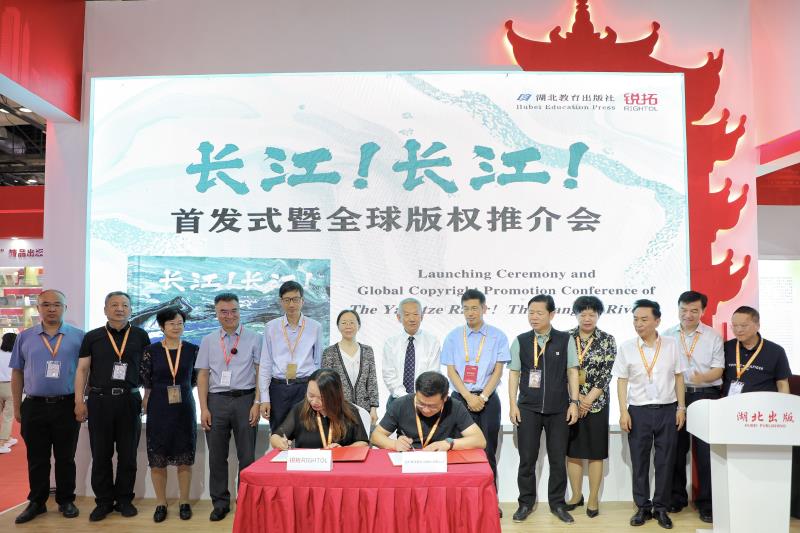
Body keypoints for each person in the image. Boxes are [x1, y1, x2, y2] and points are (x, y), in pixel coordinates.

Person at [74, 291, 151, 521]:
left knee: (128, 455)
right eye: (114, 305)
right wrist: (79, 401)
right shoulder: (93, 337)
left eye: (125, 305)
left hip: (129, 399)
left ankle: (124, 500)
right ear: (105, 309)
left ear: (131, 309)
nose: (120, 309)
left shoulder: (140, 336)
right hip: (99, 400)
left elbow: (148, 370)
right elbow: (82, 370)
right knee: (101, 454)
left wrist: (147, 396)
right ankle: (104, 502)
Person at [8, 290, 83, 523]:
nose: (51, 309)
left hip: (67, 405)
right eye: (46, 304)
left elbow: (86, 372)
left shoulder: (79, 337)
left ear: (65, 308)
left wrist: (81, 401)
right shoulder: (25, 337)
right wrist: (17, 407)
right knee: (37, 458)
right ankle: (37, 502)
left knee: (65, 457)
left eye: (57, 304)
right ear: (38, 308)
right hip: (34, 406)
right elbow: (17, 373)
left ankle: (66, 500)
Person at [612, 299, 687, 530]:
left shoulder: (672, 344)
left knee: (665, 461)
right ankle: (642, 507)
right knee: (640, 461)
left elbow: (679, 377)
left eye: (644, 319)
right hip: (638, 412)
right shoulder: (627, 347)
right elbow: (621, 381)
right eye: (635, 319)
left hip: (667, 410)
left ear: (657, 321)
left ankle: (661, 508)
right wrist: (623, 411)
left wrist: (681, 408)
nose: (638, 324)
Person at [509, 294, 580, 524]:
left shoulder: (564, 340)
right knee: (527, 459)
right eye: (531, 312)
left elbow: (572, 372)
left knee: (558, 459)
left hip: (559, 409)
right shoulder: (520, 340)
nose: (534, 317)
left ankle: (557, 503)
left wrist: (574, 402)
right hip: (528, 408)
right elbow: (514, 374)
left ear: (552, 314)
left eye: (539, 313)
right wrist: (512, 404)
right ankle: (525, 503)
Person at [196, 292, 262, 522]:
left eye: (234, 310)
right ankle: (220, 503)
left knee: (247, 456)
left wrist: (257, 403)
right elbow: (203, 375)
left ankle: (246, 502)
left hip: (245, 400)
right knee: (217, 457)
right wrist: (204, 408)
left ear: (239, 310)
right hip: (216, 401)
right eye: (224, 311)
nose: (229, 315)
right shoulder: (208, 340)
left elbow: (260, 372)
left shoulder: (255, 338)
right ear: (216, 314)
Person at [664, 291, 724, 523]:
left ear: (703, 311)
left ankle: (707, 504)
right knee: (676, 450)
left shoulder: (713, 336)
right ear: (678, 309)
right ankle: (676, 498)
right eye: (683, 310)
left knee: (706, 453)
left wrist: (701, 378)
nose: (688, 315)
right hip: (675, 397)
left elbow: (718, 369)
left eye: (694, 310)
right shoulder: (667, 335)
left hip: (705, 395)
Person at [141, 308, 199, 522]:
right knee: (158, 457)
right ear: (161, 326)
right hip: (158, 406)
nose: (176, 327)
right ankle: (161, 503)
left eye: (180, 323)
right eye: (171, 323)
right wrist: (146, 399)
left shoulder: (193, 349)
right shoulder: (151, 350)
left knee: (184, 455)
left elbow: (195, 379)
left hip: (184, 408)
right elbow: (146, 380)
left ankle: (184, 502)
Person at [564, 296, 617, 519]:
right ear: (576, 315)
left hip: (597, 404)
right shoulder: (565, 338)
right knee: (573, 451)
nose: (587, 318)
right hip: (571, 404)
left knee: (596, 453)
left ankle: (593, 498)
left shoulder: (607, 340)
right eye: (583, 314)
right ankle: (576, 495)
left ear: (598, 315)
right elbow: (563, 372)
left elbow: (606, 374)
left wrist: (587, 401)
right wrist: (576, 400)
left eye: (592, 314)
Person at [259, 280, 323, 432]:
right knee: (279, 435)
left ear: (302, 301)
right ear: (281, 302)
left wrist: (316, 393)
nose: (291, 304)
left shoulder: (315, 327)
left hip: (305, 387)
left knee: (307, 434)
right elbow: (266, 363)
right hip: (279, 388)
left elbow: (318, 362)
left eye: (295, 299)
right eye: (287, 300)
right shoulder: (271, 327)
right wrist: (264, 398)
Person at [371, 370, 486, 451]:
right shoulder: (400, 404)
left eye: (432, 406)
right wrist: (394, 444)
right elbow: (376, 436)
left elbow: (480, 440)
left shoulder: (455, 407)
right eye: (421, 403)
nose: (426, 410)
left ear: (445, 398)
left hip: (442, 458)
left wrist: (449, 443)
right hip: (410, 457)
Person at [270, 368, 369, 449]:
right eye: (311, 395)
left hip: (339, 465)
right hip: (308, 465)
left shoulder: (349, 411)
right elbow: (276, 436)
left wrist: (343, 450)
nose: (314, 402)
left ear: (334, 395)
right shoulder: (300, 409)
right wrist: (280, 442)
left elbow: (363, 443)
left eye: (321, 398)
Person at [321, 309, 379, 427]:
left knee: (363, 438)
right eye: (344, 323)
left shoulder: (367, 351)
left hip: (364, 410)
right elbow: (326, 384)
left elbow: (372, 381)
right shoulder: (329, 352)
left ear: (359, 325)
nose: (348, 326)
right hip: (338, 410)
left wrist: (373, 408)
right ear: (338, 326)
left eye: (352, 322)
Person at [382, 298, 442, 406]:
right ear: (399, 317)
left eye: (415, 314)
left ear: (422, 317)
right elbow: (389, 375)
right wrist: (406, 397)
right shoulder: (391, 343)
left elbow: (433, 374)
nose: (412, 319)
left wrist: (420, 398)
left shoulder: (432, 342)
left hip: (424, 401)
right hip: (397, 400)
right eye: (407, 315)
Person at [723, 306, 791, 395]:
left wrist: (784, 403)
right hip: (731, 401)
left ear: (757, 326)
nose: (738, 330)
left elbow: (782, 384)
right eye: (734, 326)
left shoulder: (776, 351)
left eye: (744, 325)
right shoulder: (726, 347)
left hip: (763, 402)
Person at [0, 332, 17, 454]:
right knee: (8, 416)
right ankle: (1, 443)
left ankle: (8, 438)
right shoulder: (15, 355)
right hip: (10, 386)